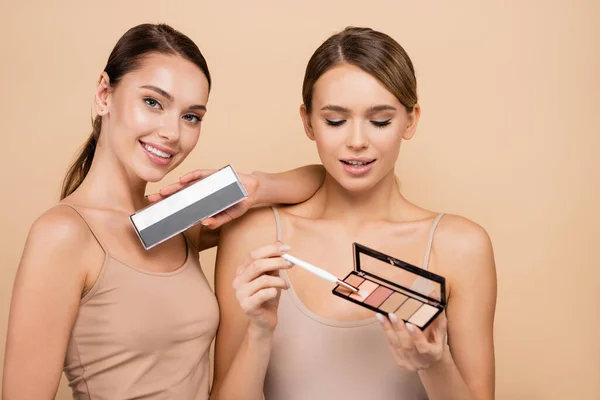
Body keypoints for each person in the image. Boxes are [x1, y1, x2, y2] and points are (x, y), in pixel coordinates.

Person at [2, 23, 324, 400]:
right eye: (153, 102)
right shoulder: (63, 233)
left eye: (191, 116)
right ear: (105, 94)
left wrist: (251, 186)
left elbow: (319, 181)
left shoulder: (175, 216)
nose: (172, 132)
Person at [211, 26, 497, 400]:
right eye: (335, 120)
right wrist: (259, 334)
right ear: (307, 121)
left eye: (380, 121)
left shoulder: (460, 248)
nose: (357, 141)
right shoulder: (255, 238)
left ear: (410, 120)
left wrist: (433, 362)